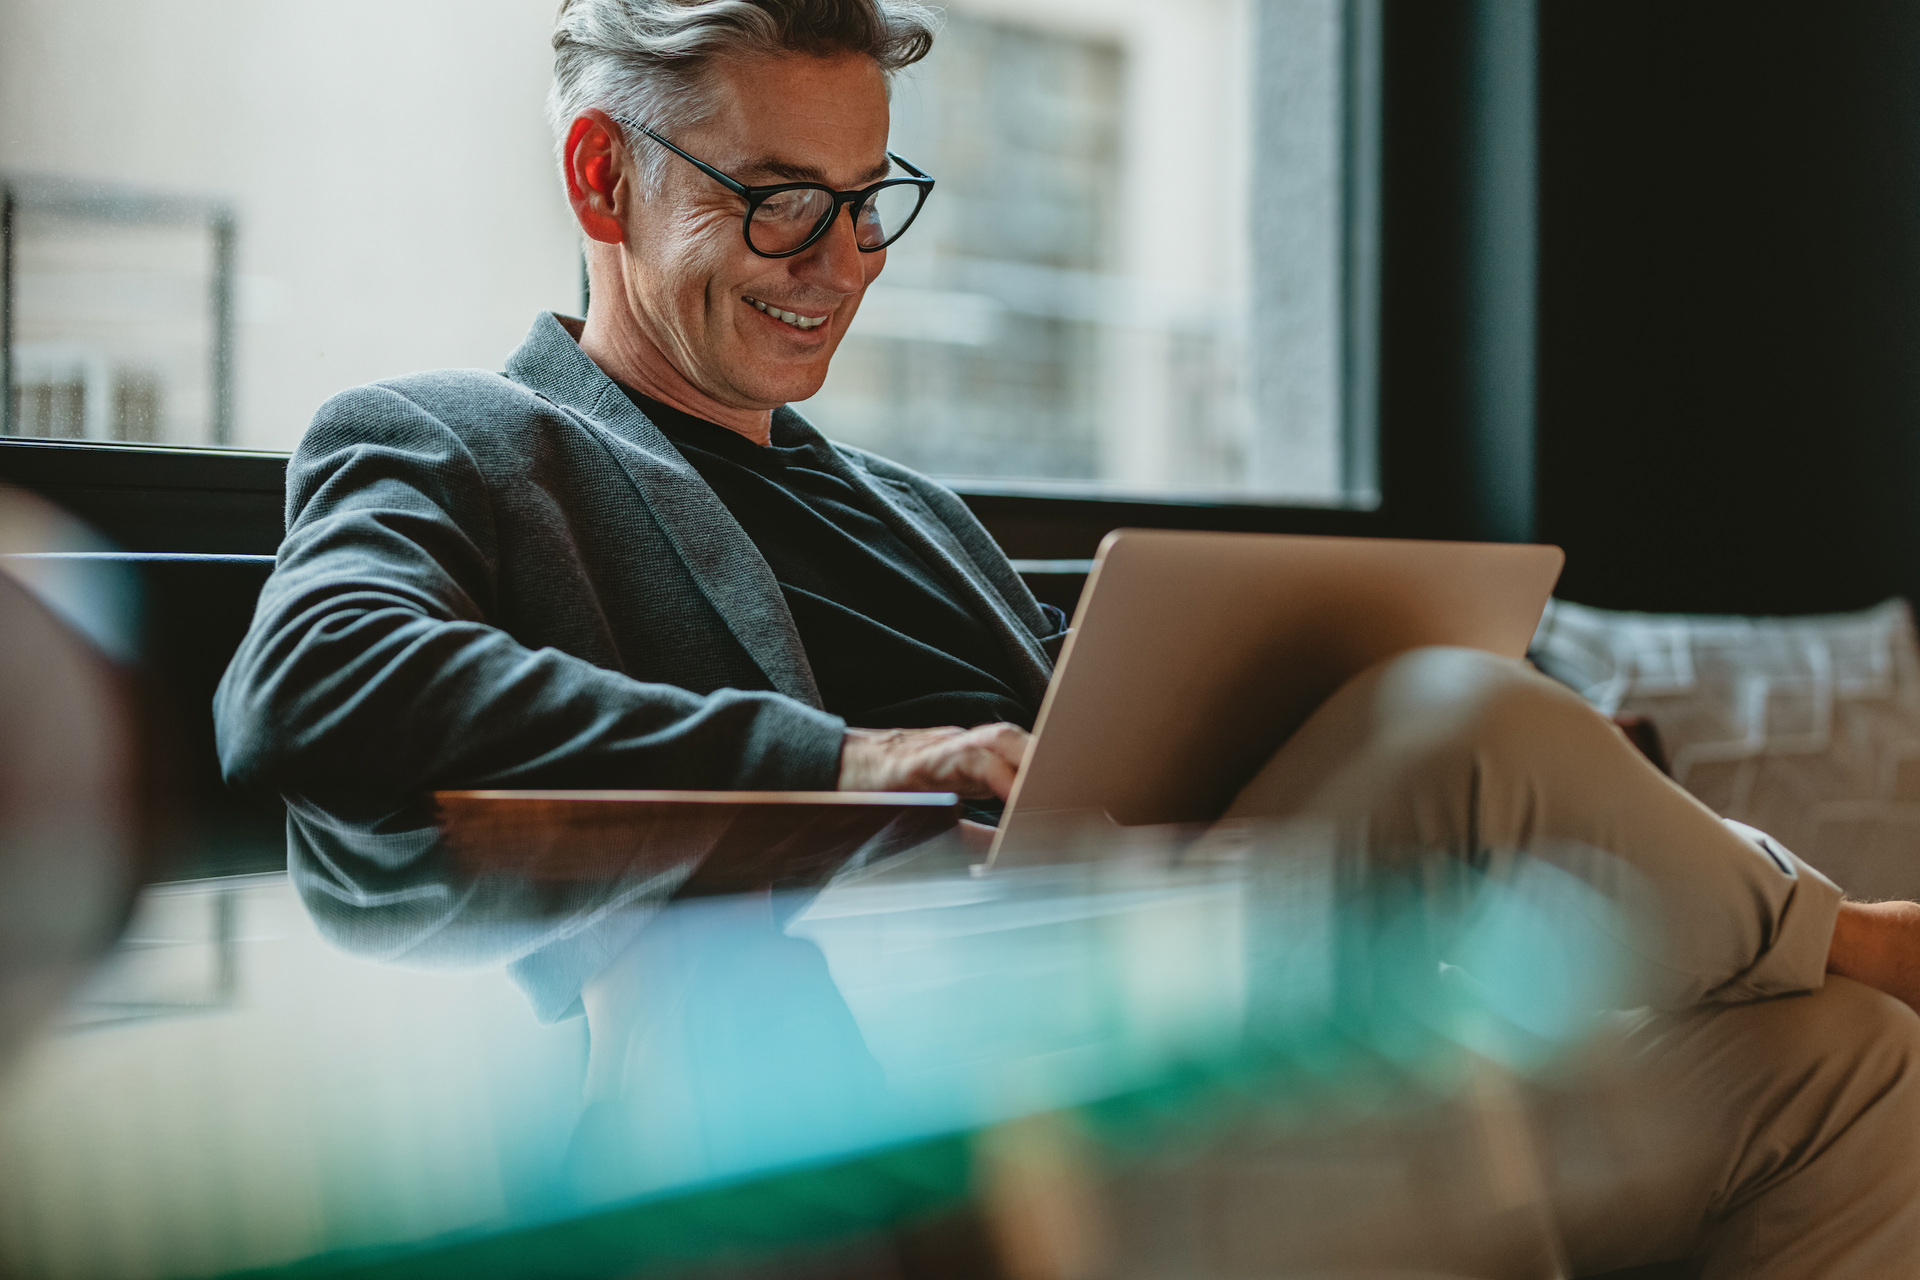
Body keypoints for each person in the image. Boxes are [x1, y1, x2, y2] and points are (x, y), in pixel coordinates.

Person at [213, 1, 1920, 1274]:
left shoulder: (912, 511)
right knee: (1462, 730)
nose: (843, 261)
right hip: (894, 1084)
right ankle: (1835, 924)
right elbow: (316, 682)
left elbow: (1136, 721)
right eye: (779, 201)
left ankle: (1805, 958)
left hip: (1177, 1000)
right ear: (602, 171)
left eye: (870, 196)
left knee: (1842, 1069)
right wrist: (857, 757)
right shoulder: (452, 437)